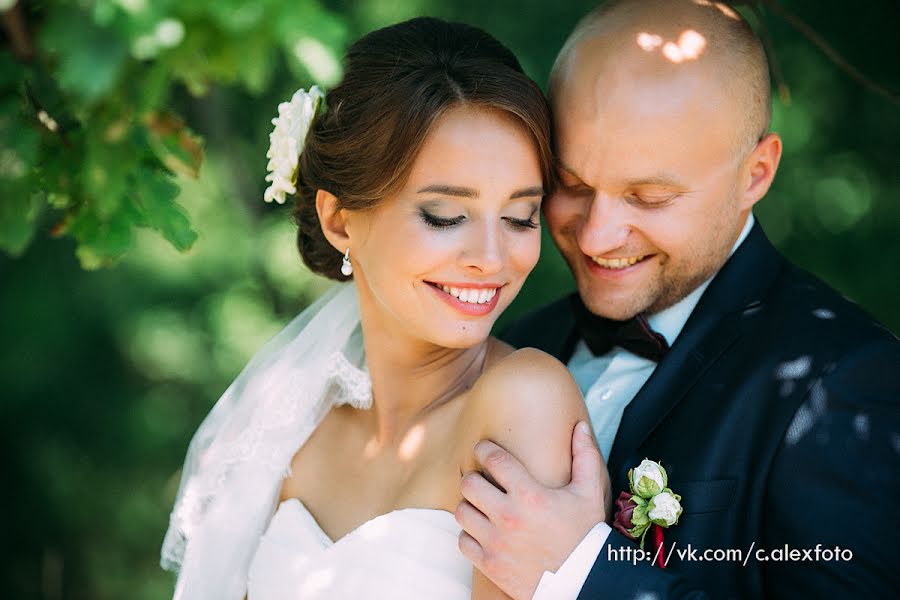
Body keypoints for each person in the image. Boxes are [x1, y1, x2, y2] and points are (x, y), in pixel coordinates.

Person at [455, 1, 900, 598]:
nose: (596, 236)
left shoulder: (842, 383)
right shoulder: (510, 349)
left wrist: (585, 571)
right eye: (572, 185)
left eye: (648, 197)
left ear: (756, 174)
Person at [160, 16, 598, 600]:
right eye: (445, 216)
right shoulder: (290, 426)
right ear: (339, 219)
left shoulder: (523, 401)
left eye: (520, 217)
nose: (492, 259)